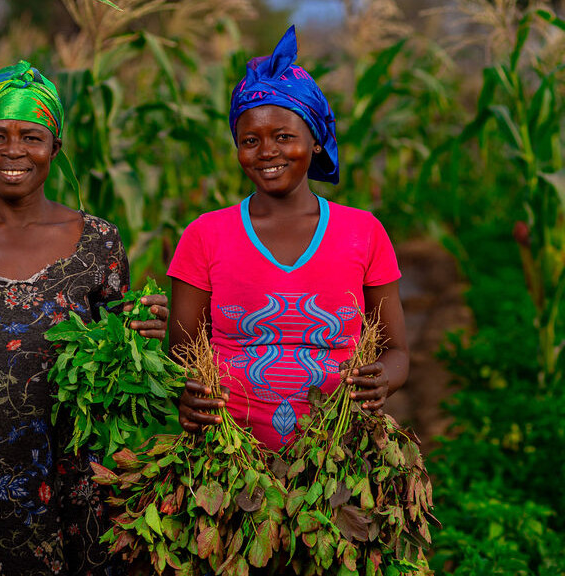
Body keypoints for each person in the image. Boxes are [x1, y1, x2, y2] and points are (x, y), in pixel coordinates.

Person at [0, 61, 168, 576]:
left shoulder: (99, 245)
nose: (13, 150)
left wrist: (147, 338)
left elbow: (114, 374)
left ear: (55, 147)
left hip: (65, 504)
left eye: (32, 136)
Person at [168, 26, 409, 452]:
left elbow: (398, 352)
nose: (266, 152)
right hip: (227, 460)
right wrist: (184, 396)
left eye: (284, 136)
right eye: (250, 140)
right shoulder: (205, 235)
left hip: (338, 458)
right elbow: (180, 356)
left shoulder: (362, 232)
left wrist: (382, 378)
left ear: (316, 141)